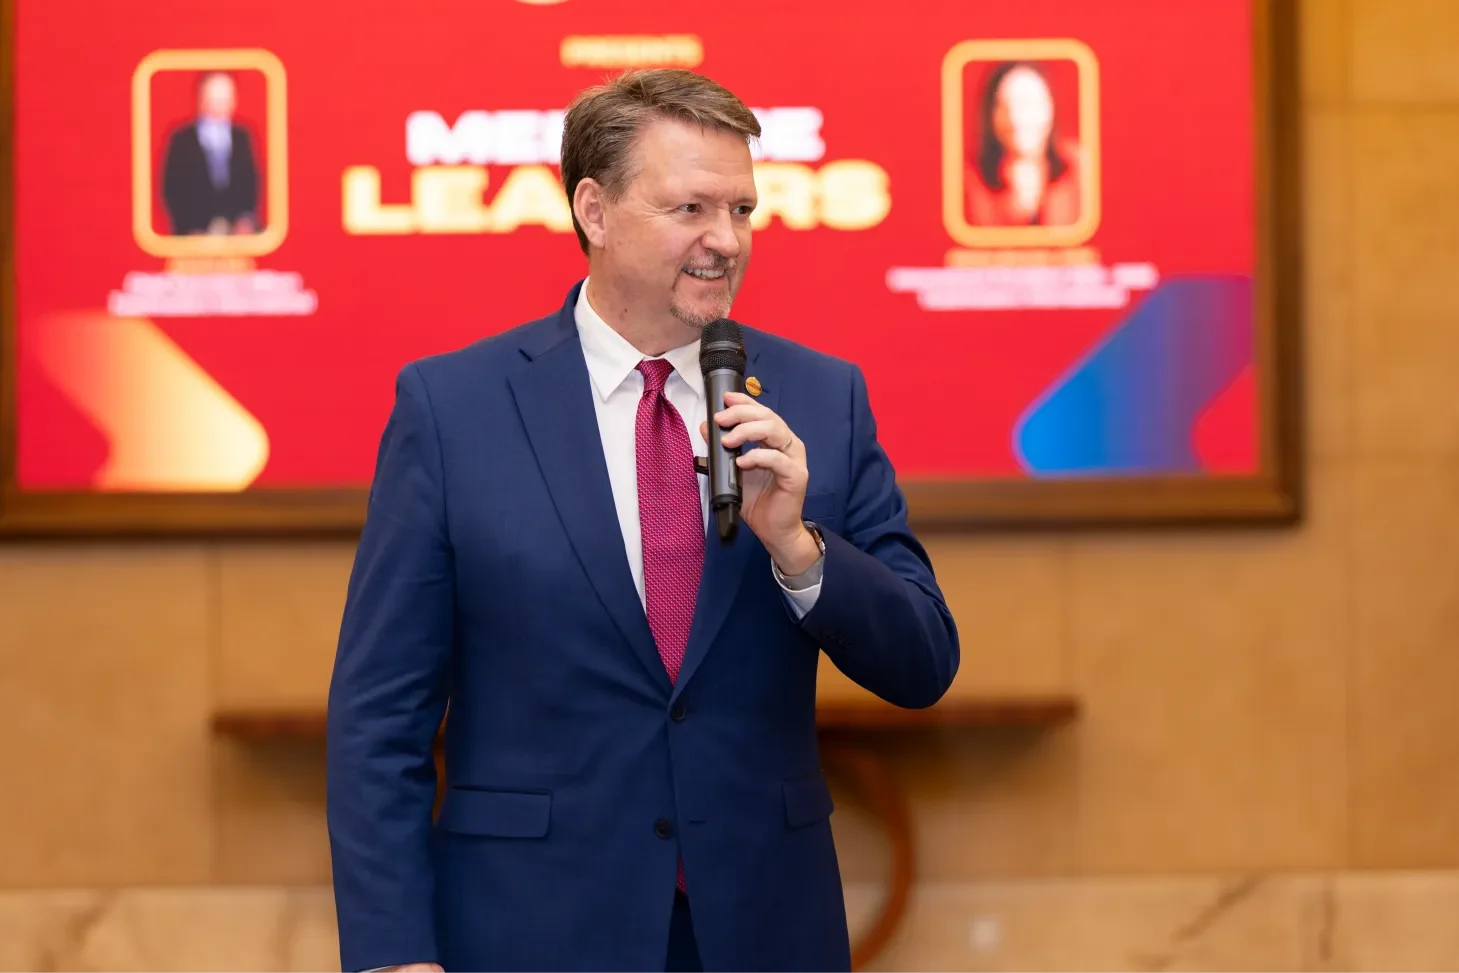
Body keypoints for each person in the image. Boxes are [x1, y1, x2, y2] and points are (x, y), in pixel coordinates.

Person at [326, 68, 960, 973]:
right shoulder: (453, 409)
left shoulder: (823, 397)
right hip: (529, 929)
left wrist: (799, 548)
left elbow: (923, 662)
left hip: (762, 929)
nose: (725, 240)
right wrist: (393, 954)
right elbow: (379, 716)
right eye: (690, 208)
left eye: (741, 210)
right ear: (594, 209)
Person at [966, 60, 1082, 227]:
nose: (1015, 118)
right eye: (1004, 106)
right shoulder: (969, 179)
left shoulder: (1080, 168)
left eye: (1028, 104)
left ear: (1051, 107)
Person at [159, 71, 261, 236]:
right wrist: (190, 227)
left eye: (225, 98)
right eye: (213, 98)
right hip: (192, 233)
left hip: (237, 234)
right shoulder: (182, 139)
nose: (219, 104)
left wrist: (245, 219)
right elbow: (171, 187)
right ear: (201, 99)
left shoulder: (242, 137)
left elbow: (252, 182)